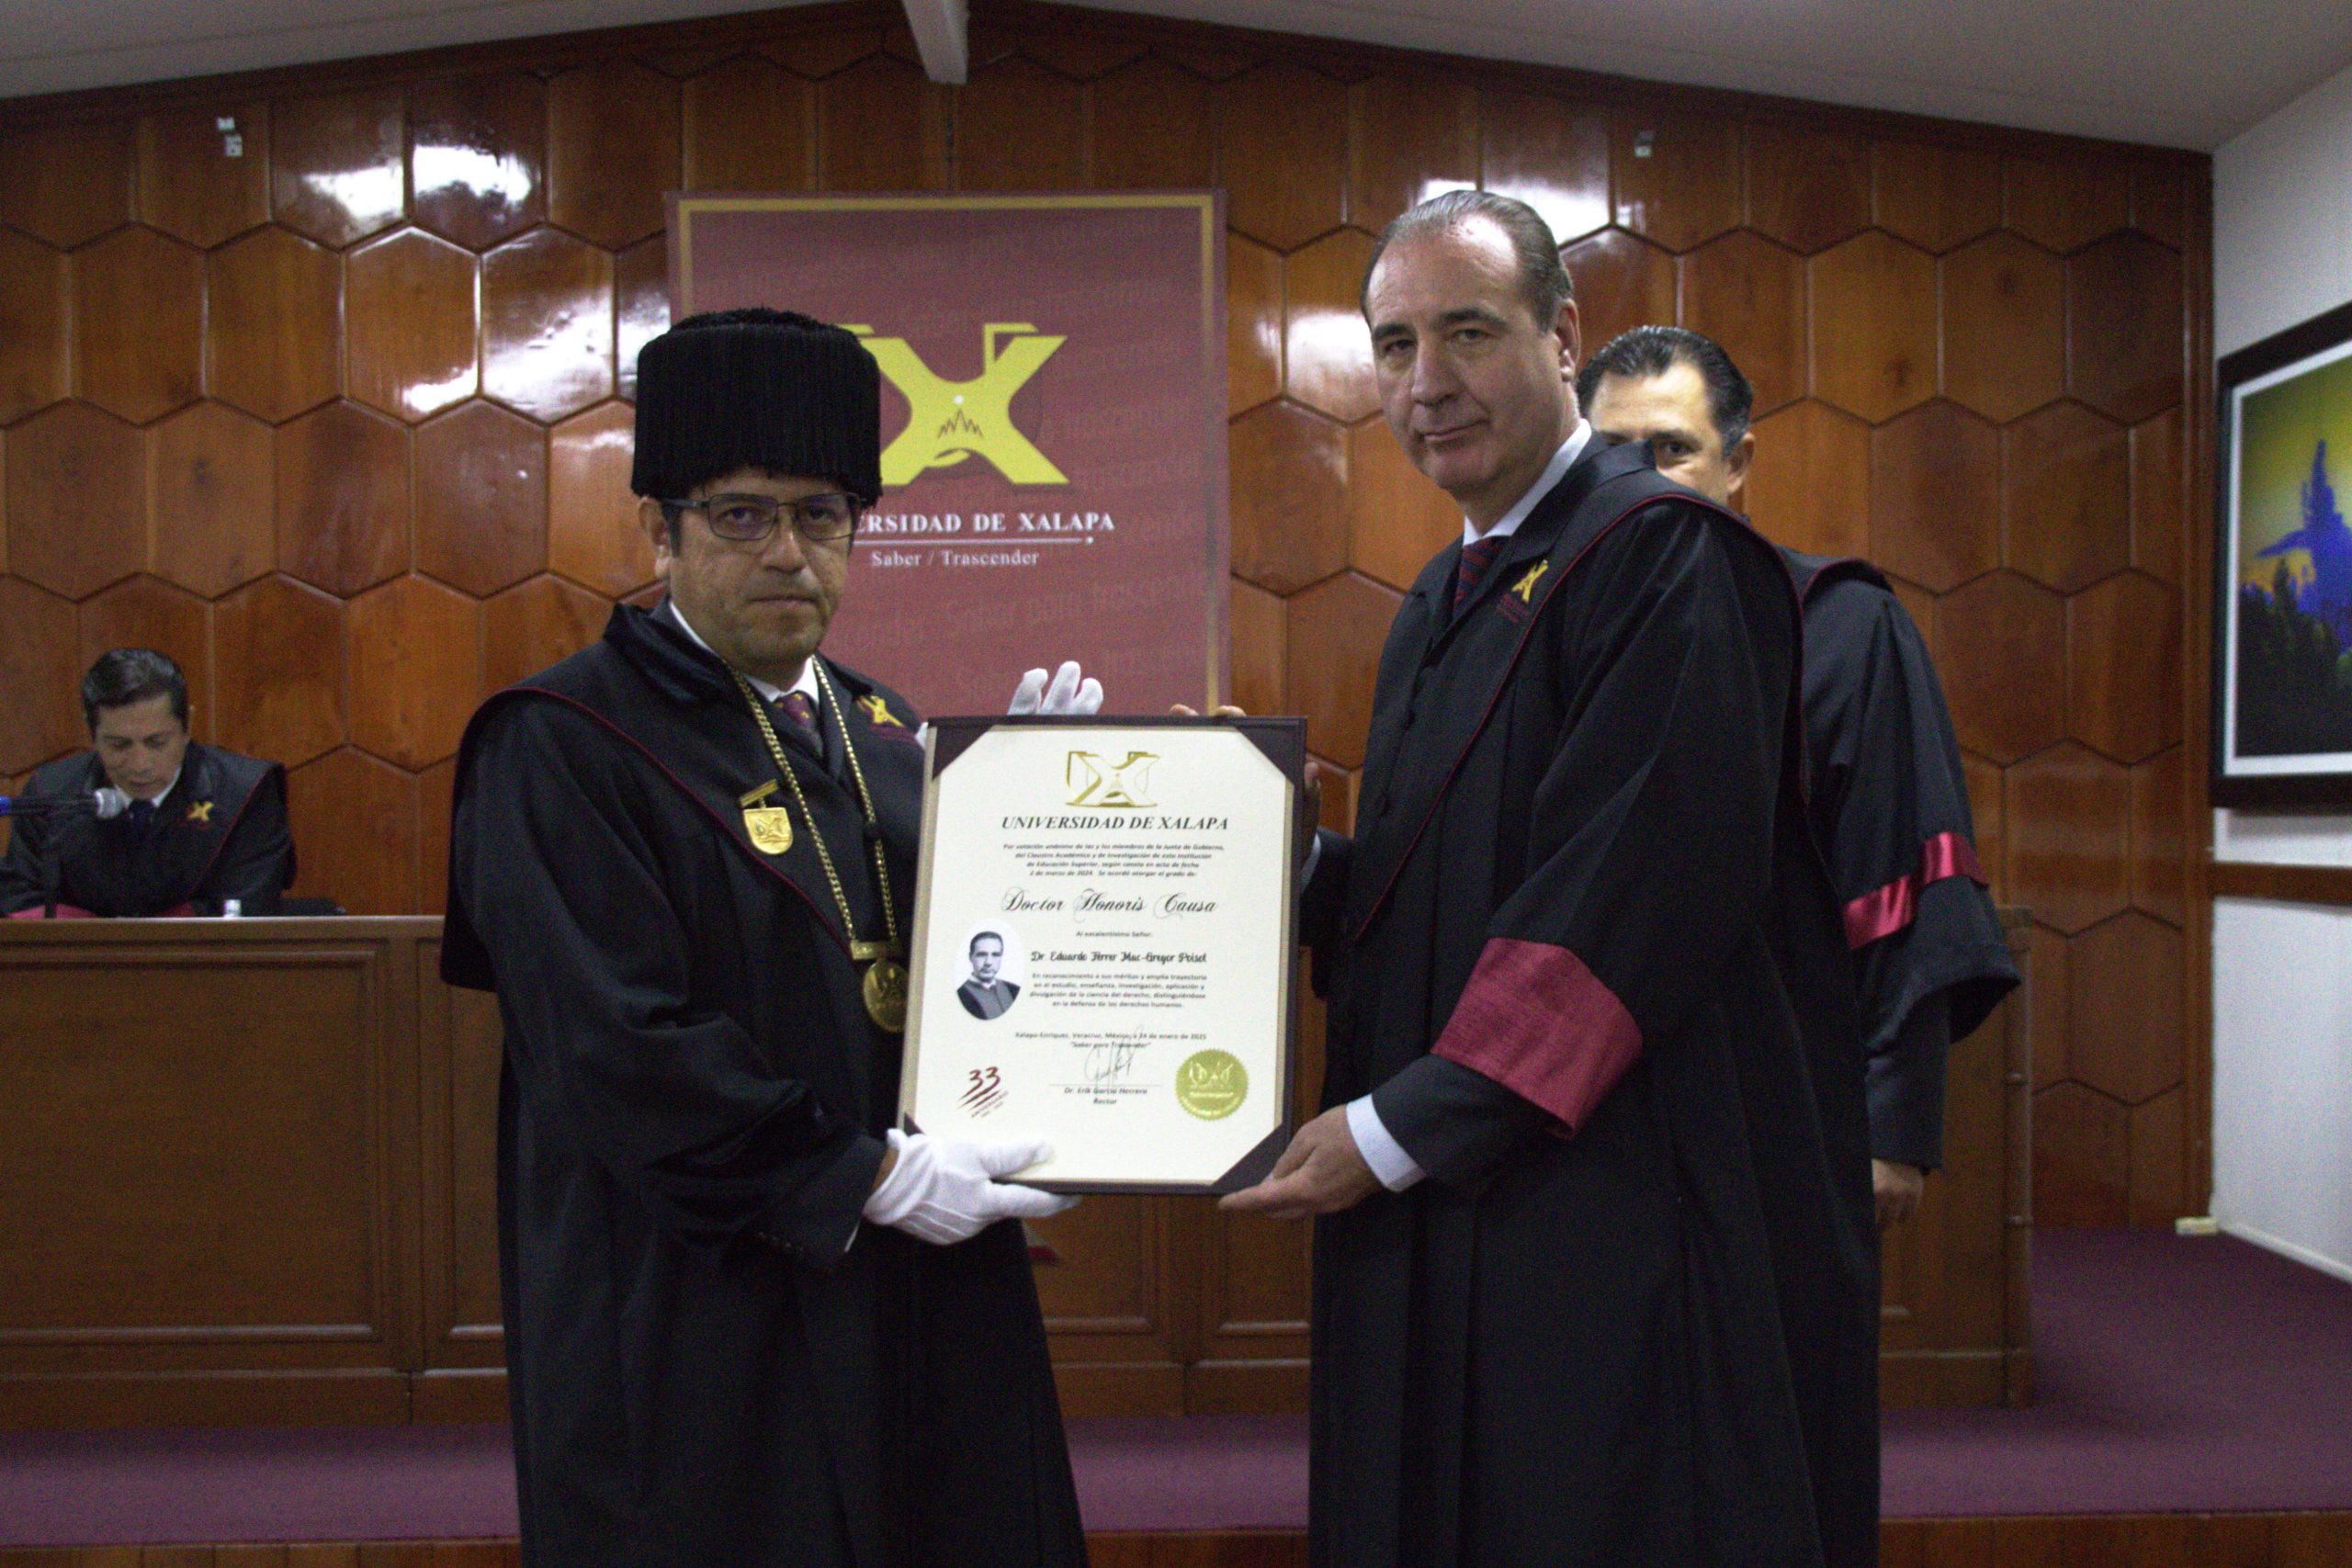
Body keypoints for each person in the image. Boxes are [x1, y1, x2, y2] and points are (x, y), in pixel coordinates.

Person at [1221, 189, 1878, 1567]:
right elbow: (1423, 910)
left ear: (1562, 333)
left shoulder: (1665, 560)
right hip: (1458, 1185)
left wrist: (1396, 1129)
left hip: (1607, 1205)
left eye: (1468, 331)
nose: (1426, 383)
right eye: (1394, 346)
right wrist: (1248, 842)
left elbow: (1620, 914)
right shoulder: (1449, 600)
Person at [442, 308, 1102, 1568]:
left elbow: (960, 977)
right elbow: (615, 1047)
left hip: (915, 1293)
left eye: (823, 512)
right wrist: (869, 1175)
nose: (789, 551)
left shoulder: (884, 727)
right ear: (659, 528)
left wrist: (1026, 830)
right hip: (703, 1312)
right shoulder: (560, 742)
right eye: (742, 515)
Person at [1578, 324, 2021, 1227]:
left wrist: (1892, 1125)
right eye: (1612, 454)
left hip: (1780, 1089)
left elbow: (1903, 865)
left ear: (1737, 462)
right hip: (1592, 1094)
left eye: (1673, 450)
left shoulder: (1841, 625)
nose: (1641, 482)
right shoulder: (1552, 635)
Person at [0, 648, 292, 918]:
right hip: (82, 970)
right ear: (91, 731)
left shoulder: (245, 791)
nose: (140, 764)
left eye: (156, 742)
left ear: (187, 725)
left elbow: (249, 909)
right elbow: (20, 900)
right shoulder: (50, 792)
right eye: (118, 745)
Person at [958, 931, 1019, 1019]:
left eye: (995, 955)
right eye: (982, 955)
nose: (988, 962)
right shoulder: (961, 997)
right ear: (971, 957)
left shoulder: (1014, 990)